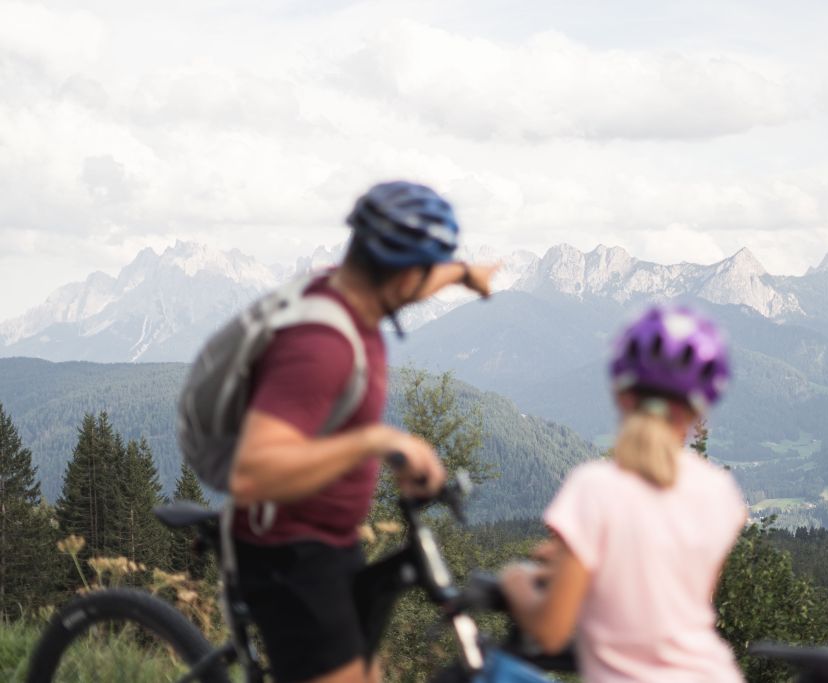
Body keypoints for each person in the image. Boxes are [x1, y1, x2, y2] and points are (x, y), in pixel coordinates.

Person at [227, 181, 497, 683]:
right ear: (396, 274)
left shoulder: (352, 291)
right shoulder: (321, 345)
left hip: (332, 535)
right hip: (288, 547)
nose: (425, 285)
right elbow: (251, 473)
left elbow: (415, 279)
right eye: (424, 272)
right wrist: (381, 442)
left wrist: (462, 275)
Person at [500, 306, 747, 682]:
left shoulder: (593, 486)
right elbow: (684, 598)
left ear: (622, 394)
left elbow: (550, 631)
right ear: (701, 407)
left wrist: (515, 583)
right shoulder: (720, 493)